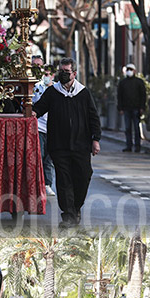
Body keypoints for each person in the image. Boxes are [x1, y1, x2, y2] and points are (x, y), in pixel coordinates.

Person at [31, 58, 101, 226]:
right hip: (59, 145)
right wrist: (32, 113)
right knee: (64, 180)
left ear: (74, 74)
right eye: (61, 71)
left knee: (83, 176)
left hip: (81, 145)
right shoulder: (52, 92)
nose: (63, 74)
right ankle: (68, 214)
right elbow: (40, 108)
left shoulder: (83, 93)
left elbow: (93, 117)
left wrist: (95, 139)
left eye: (66, 72)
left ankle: (76, 207)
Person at [33, 68, 56, 195]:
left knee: (49, 158)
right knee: (39, 155)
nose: (46, 77)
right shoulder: (37, 88)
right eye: (44, 74)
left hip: (53, 129)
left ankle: (47, 184)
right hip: (39, 128)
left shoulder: (58, 89)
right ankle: (38, 183)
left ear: (52, 75)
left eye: (48, 75)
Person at [117, 63, 146, 153]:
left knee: (136, 128)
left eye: (131, 69)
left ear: (134, 71)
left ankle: (137, 146)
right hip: (126, 109)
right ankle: (128, 145)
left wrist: (142, 107)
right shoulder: (122, 83)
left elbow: (143, 95)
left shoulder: (139, 82)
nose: (129, 71)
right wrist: (120, 108)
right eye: (128, 70)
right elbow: (119, 96)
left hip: (136, 108)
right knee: (127, 128)